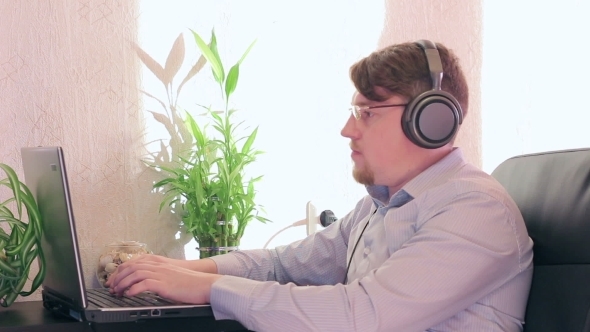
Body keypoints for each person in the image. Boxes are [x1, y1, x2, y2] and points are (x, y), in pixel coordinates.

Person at [106, 40, 534, 331]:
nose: (348, 129)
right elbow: (282, 265)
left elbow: (362, 316)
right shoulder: (381, 206)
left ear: (431, 120)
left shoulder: (475, 210)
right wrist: (175, 270)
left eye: (368, 112)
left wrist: (208, 288)